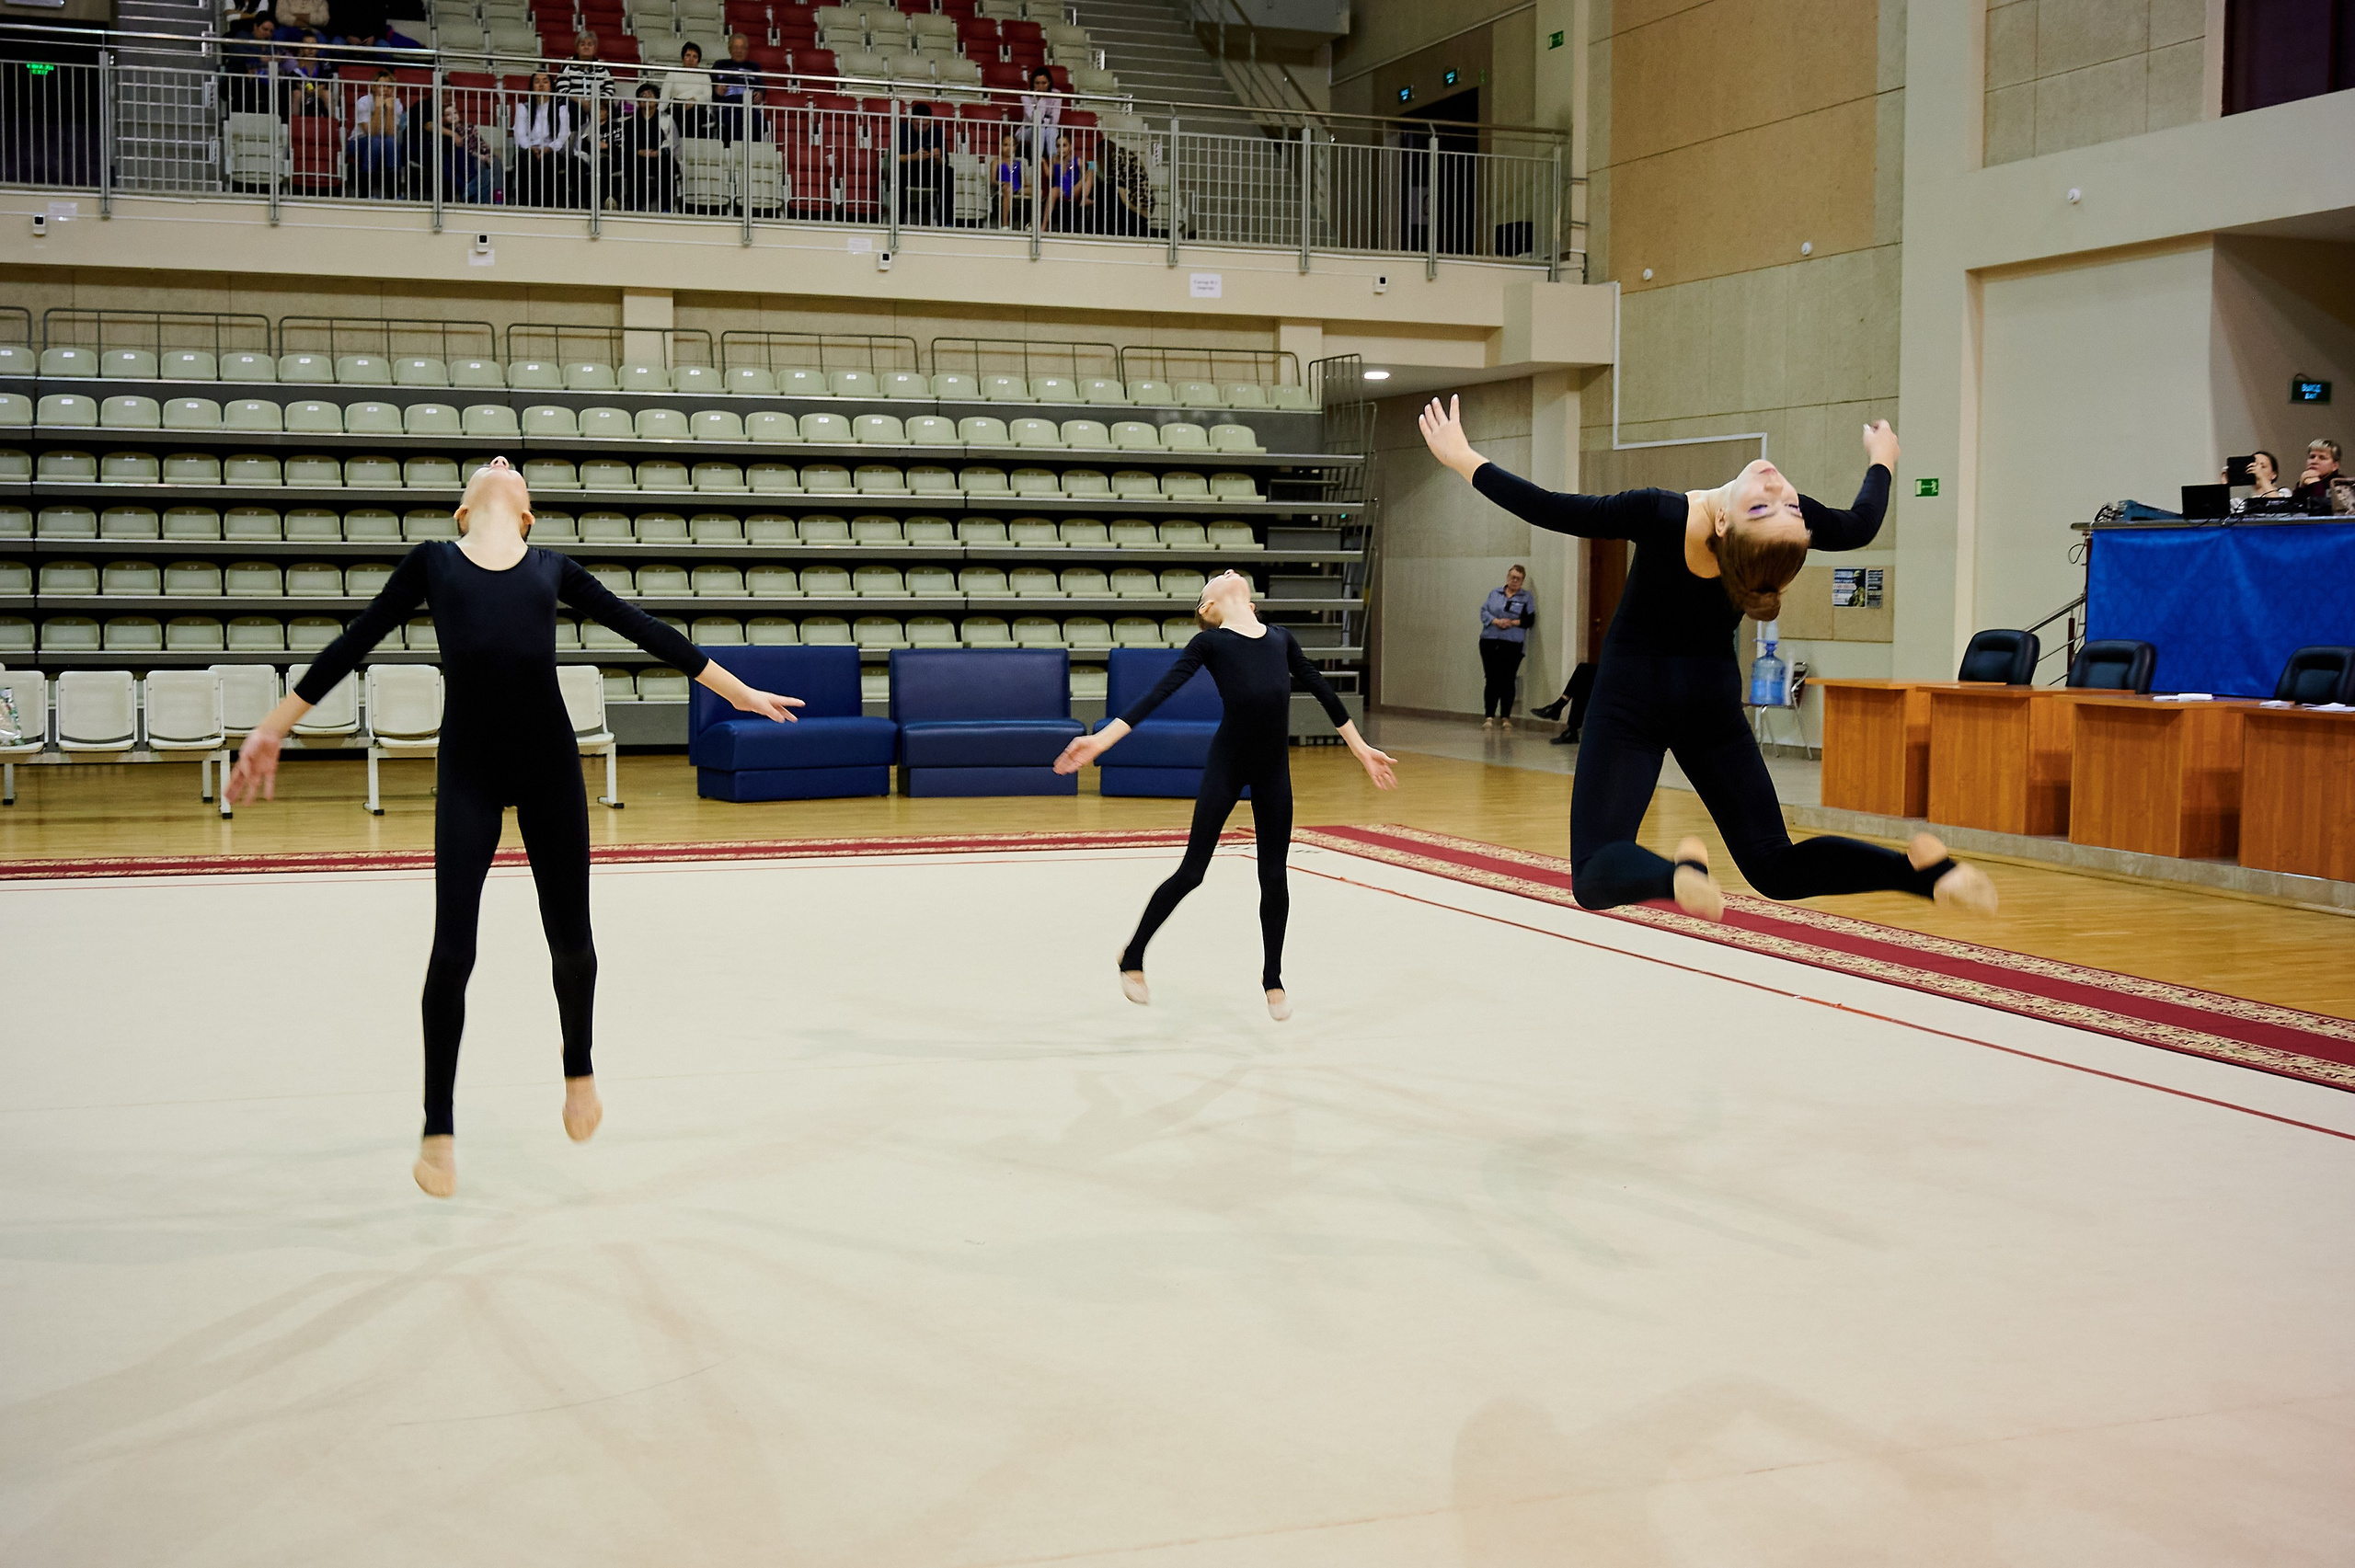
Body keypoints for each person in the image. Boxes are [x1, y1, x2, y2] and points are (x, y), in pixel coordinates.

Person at [224, 458, 802, 1198]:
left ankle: (579, 1066)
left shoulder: (552, 568)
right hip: (468, 770)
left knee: (572, 939)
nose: (501, 465)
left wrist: (740, 690)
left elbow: (648, 631)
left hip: (549, 768)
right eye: (491, 466)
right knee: (452, 949)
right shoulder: (431, 565)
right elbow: (352, 643)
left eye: (512, 468)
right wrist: (272, 728)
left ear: (526, 513)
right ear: (465, 511)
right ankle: (438, 1125)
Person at [1418, 395, 1998, 921]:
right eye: (1789, 506)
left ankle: (1675, 877)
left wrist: (1464, 458)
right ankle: (1923, 875)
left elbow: (1554, 509)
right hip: (1710, 704)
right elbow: (1860, 523)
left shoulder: (1662, 514)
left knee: (1594, 874)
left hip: (1630, 702)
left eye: (1777, 507)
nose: (1780, 493)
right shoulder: (1776, 535)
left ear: (1724, 522)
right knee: (1774, 865)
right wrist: (1884, 458)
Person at [1053, 570, 1398, 1020]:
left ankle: (1272, 977)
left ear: (1251, 603)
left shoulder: (1281, 639)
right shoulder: (1210, 644)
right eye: (1217, 578)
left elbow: (1322, 689)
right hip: (1228, 763)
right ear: (1207, 608)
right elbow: (1160, 693)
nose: (1228, 573)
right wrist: (1101, 741)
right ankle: (1133, 955)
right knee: (1192, 872)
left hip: (1274, 768)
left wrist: (1361, 750)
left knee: (1274, 877)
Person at [1477, 563, 1533, 731]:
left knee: (1508, 679)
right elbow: (1484, 611)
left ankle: (1506, 717)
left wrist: (1512, 622)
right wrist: (1496, 621)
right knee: (1492, 678)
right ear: (1507, 577)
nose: (1514, 581)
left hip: (1513, 643)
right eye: (1512, 577)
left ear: (1522, 581)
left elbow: (1529, 620)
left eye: (1518, 579)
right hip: (1490, 640)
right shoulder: (1495, 593)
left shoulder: (1526, 597)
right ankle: (1489, 716)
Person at [511, 72, 573, 208]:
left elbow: (563, 134)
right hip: (529, 149)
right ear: (532, 86)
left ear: (551, 86)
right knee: (526, 159)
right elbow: (520, 134)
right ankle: (525, 204)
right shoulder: (523, 107)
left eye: (545, 81)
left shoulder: (561, 109)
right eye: (537, 81)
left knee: (549, 161)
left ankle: (548, 205)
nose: (541, 85)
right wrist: (531, 148)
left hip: (552, 149)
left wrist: (549, 148)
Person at [615, 83, 677, 211]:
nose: (646, 98)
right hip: (638, 158)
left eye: (650, 95)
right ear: (638, 102)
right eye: (643, 96)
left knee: (666, 166)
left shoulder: (666, 120)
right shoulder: (629, 122)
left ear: (657, 100)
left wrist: (659, 152)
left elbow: (673, 143)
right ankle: (635, 207)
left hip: (659, 157)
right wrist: (639, 152)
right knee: (634, 166)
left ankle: (666, 207)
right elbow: (625, 145)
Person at [348, 65, 406, 195]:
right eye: (381, 86)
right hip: (358, 142)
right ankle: (366, 192)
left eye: (389, 86)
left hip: (384, 141)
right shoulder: (363, 101)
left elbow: (391, 133)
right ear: (373, 87)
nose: (385, 90)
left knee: (391, 142)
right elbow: (371, 132)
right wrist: (379, 107)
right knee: (375, 141)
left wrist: (390, 109)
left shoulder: (396, 104)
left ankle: (394, 193)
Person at [437, 99, 501, 204]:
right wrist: (481, 157)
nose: (453, 116)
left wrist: (490, 153)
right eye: (448, 114)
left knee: (497, 164)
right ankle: (479, 199)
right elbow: (464, 149)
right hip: (471, 157)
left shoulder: (470, 126)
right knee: (481, 168)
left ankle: (498, 198)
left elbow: (480, 141)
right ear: (443, 118)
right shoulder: (449, 133)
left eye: (455, 113)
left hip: (482, 154)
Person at [896, 100, 946, 226]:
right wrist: (913, 156)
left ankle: (946, 222)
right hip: (908, 170)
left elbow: (944, 162)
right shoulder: (901, 130)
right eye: (918, 125)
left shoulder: (937, 132)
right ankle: (898, 222)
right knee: (898, 174)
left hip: (929, 172)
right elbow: (894, 158)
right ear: (912, 121)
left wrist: (938, 157)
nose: (922, 128)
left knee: (948, 174)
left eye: (926, 125)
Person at [710, 32, 760, 143]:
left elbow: (760, 86)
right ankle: (733, 154)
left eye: (742, 48)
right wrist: (717, 91)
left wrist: (760, 93)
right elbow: (711, 86)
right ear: (729, 49)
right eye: (735, 47)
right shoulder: (720, 65)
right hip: (727, 104)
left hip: (748, 104)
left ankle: (753, 154)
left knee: (758, 121)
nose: (739, 51)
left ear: (747, 50)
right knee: (731, 120)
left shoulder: (754, 67)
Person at [661, 40, 715, 139]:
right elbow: (665, 96)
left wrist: (695, 100)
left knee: (693, 115)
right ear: (683, 58)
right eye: (688, 55)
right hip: (676, 107)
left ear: (698, 60)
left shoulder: (704, 76)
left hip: (698, 108)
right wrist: (658, 112)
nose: (691, 59)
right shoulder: (672, 74)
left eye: (694, 56)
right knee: (671, 116)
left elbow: (708, 97)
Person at [1042, 130, 1094, 232]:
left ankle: (1085, 198)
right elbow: (1050, 175)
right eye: (1058, 146)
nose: (1061, 149)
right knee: (1054, 190)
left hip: (1074, 191)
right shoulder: (1054, 160)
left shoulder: (1078, 160)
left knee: (1090, 171)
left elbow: (1084, 179)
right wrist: (1044, 162)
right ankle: (1044, 225)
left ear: (1070, 146)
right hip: (1059, 191)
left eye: (1064, 145)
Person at [557, 31, 616, 106]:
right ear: (577, 48)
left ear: (595, 48)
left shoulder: (603, 65)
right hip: (573, 105)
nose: (586, 47)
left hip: (598, 105)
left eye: (590, 44)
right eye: (582, 44)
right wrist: (580, 102)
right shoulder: (568, 63)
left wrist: (596, 102)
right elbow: (562, 89)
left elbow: (610, 89)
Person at [1017, 64, 1060, 157]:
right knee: (1039, 129)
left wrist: (1044, 121)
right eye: (1037, 83)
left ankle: (1053, 163)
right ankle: (1037, 164)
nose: (1040, 86)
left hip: (1048, 129)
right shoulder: (1026, 96)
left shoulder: (1057, 94)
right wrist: (1041, 99)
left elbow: (1055, 120)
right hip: (1027, 130)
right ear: (1032, 83)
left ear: (1049, 82)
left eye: (1044, 83)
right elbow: (1035, 119)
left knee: (1051, 130)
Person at [993, 129, 1026, 229]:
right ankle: (1005, 223)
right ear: (1001, 146)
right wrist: (1003, 183)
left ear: (1015, 147)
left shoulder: (1019, 163)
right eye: (1005, 145)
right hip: (1004, 187)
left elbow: (1024, 182)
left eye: (1011, 145)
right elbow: (993, 180)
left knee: (1038, 191)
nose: (1008, 148)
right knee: (1008, 189)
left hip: (1018, 188)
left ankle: (1031, 223)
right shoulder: (996, 162)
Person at [2292, 438, 2343, 504]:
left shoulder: (2342, 485)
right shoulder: (2306, 482)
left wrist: (2316, 485)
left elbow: (2323, 510)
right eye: (2312, 457)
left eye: (2322, 458)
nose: (2314, 461)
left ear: (2335, 466)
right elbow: (2292, 511)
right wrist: (2301, 487)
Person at [2224, 450, 2288, 499]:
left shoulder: (2283, 493)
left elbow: (2279, 505)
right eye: (2253, 466)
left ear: (2274, 474)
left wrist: (2262, 478)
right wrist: (2224, 485)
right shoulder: (2241, 502)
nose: (2257, 470)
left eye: (2263, 467)